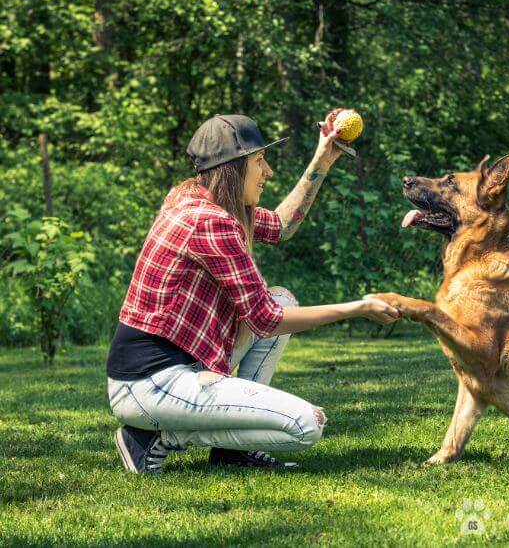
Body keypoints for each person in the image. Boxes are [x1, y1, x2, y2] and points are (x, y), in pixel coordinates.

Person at [106, 111, 400, 474]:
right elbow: (265, 320)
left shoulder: (196, 198)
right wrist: (356, 307)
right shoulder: (210, 221)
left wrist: (323, 157)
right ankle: (155, 439)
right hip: (150, 383)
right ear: (233, 167)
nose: (269, 171)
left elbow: (280, 226)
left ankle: (232, 452)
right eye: (259, 161)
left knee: (282, 298)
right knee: (305, 425)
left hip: (172, 368)